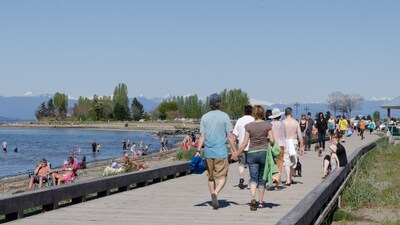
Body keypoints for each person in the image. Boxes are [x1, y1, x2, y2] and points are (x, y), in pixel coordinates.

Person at [195, 93, 236, 210]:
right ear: (219, 103)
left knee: (211, 177)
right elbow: (229, 135)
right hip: (221, 152)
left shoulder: (204, 117)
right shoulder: (225, 116)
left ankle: (213, 195)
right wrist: (234, 150)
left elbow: (202, 136)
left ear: (210, 104)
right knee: (223, 177)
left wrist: (198, 150)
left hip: (208, 152)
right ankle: (216, 193)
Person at [232, 105, 274, 211]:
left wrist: (236, 153)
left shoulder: (249, 126)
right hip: (264, 153)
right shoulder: (267, 125)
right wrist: (266, 140)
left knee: (253, 177)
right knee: (262, 178)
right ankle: (260, 202)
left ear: (254, 114)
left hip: (252, 153)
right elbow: (273, 140)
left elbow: (244, 143)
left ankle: (253, 198)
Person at [230, 105, 254, 189]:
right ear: (252, 111)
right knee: (251, 166)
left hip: (241, 147)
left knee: (241, 164)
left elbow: (234, 135)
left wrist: (233, 148)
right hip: (252, 147)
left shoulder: (240, 120)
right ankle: (249, 183)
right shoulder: (254, 120)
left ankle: (241, 176)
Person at [282, 107, 304, 186]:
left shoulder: (283, 122)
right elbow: (300, 135)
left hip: (286, 141)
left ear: (285, 113)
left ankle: (288, 179)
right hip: (294, 141)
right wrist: (302, 146)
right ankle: (289, 178)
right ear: (291, 113)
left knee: (286, 160)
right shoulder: (296, 122)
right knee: (293, 161)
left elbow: (281, 135)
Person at [269, 108, 285, 189]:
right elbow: (283, 135)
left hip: (273, 145)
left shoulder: (270, 125)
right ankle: (278, 181)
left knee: (273, 163)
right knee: (280, 164)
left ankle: (274, 178)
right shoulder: (282, 124)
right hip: (281, 145)